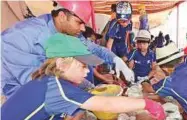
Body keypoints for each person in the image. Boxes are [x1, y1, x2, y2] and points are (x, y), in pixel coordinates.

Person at [1, 33, 166, 120]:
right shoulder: (58, 89)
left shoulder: (46, 79)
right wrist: (147, 103)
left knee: (76, 110)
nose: (87, 71)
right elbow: (107, 103)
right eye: (83, 65)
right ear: (61, 64)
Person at [1, 1, 134, 99]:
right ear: (62, 16)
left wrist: (115, 60)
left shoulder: (68, 32)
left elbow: (94, 49)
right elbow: (37, 83)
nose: (83, 29)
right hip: (9, 93)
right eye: (79, 22)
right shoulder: (23, 36)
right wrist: (86, 89)